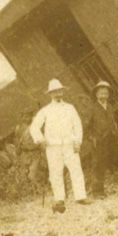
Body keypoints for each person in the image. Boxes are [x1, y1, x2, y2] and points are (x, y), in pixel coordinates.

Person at [29, 78, 88, 213]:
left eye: (59, 91)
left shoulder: (70, 108)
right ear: (50, 94)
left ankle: (81, 196)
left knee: (76, 170)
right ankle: (59, 199)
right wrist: (40, 140)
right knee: (55, 173)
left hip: (69, 145)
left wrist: (78, 142)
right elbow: (34, 127)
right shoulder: (45, 110)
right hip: (53, 147)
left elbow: (77, 126)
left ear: (63, 92)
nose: (58, 94)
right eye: (55, 92)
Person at [82, 80, 118, 198]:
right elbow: (85, 127)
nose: (104, 95)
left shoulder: (109, 106)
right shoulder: (92, 109)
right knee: (99, 165)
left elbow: (113, 122)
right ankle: (98, 192)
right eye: (101, 93)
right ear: (96, 95)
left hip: (113, 138)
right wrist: (92, 138)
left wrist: (117, 134)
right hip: (99, 141)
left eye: (105, 93)